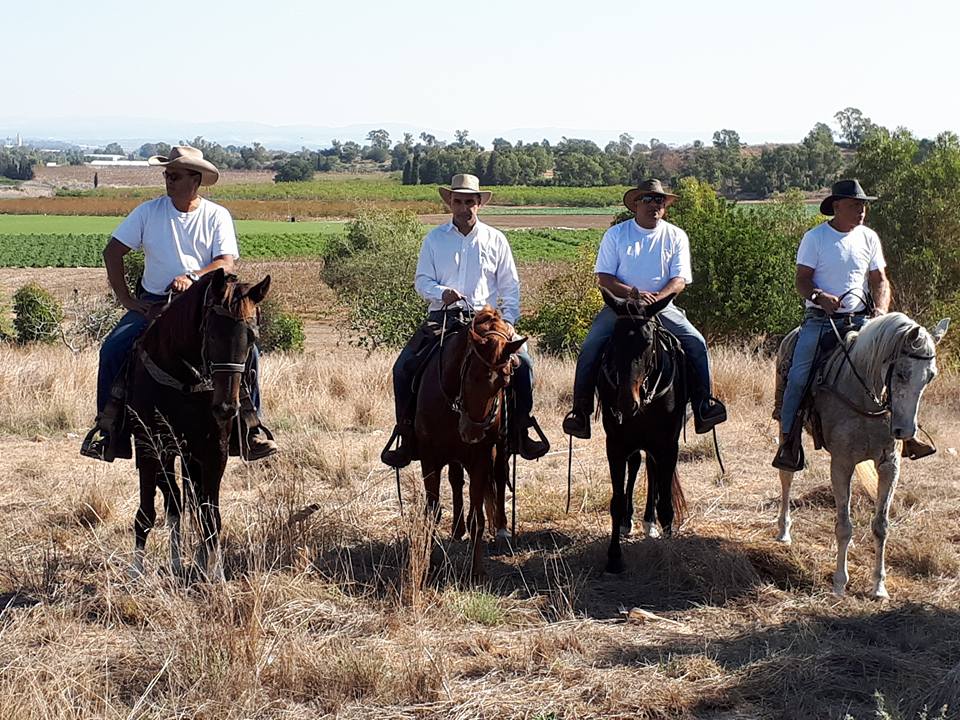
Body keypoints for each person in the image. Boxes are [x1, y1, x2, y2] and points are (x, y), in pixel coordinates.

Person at [81, 146, 278, 461]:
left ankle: (250, 428)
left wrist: (193, 277)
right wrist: (127, 300)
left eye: (175, 175)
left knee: (248, 351)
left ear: (195, 180)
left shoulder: (217, 215)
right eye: (167, 175)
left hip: (206, 306)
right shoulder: (148, 212)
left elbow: (226, 262)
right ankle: (108, 430)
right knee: (113, 348)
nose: (168, 181)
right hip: (156, 302)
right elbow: (112, 252)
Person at [381, 173, 549, 468]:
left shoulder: (495, 239)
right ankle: (406, 433)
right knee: (403, 367)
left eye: (470, 201)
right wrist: (440, 291)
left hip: (487, 322)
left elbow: (510, 286)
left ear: (479, 204)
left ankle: (521, 430)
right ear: (450, 203)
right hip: (442, 317)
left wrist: (508, 321)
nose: (464, 207)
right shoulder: (435, 239)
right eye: (458, 201)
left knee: (526, 366)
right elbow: (421, 281)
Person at [772, 178, 932, 470]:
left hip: (862, 319)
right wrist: (820, 296)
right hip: (820, 321)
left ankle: (908, 435)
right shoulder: (815, 238)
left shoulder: (869, 237)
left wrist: (881, 311)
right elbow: (802, 280)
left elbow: (880, 280)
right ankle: (789, 440)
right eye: (855, 205)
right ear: (837, 207)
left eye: (863, 206)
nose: (861, 211)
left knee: (901, 368)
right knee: (798, 374)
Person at [562, 178, 727, 439]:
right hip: (621, 310)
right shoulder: (616, 234)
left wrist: (657, 298)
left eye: (659, 200)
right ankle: (581, 411)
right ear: (635, 204)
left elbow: (679, 280)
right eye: (648, 200)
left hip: (662, 308)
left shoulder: (676, 236)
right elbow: (604, 278)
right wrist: (634, 295)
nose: (655, 205)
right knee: (591, 346)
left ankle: (703, 405)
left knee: (696, 342)